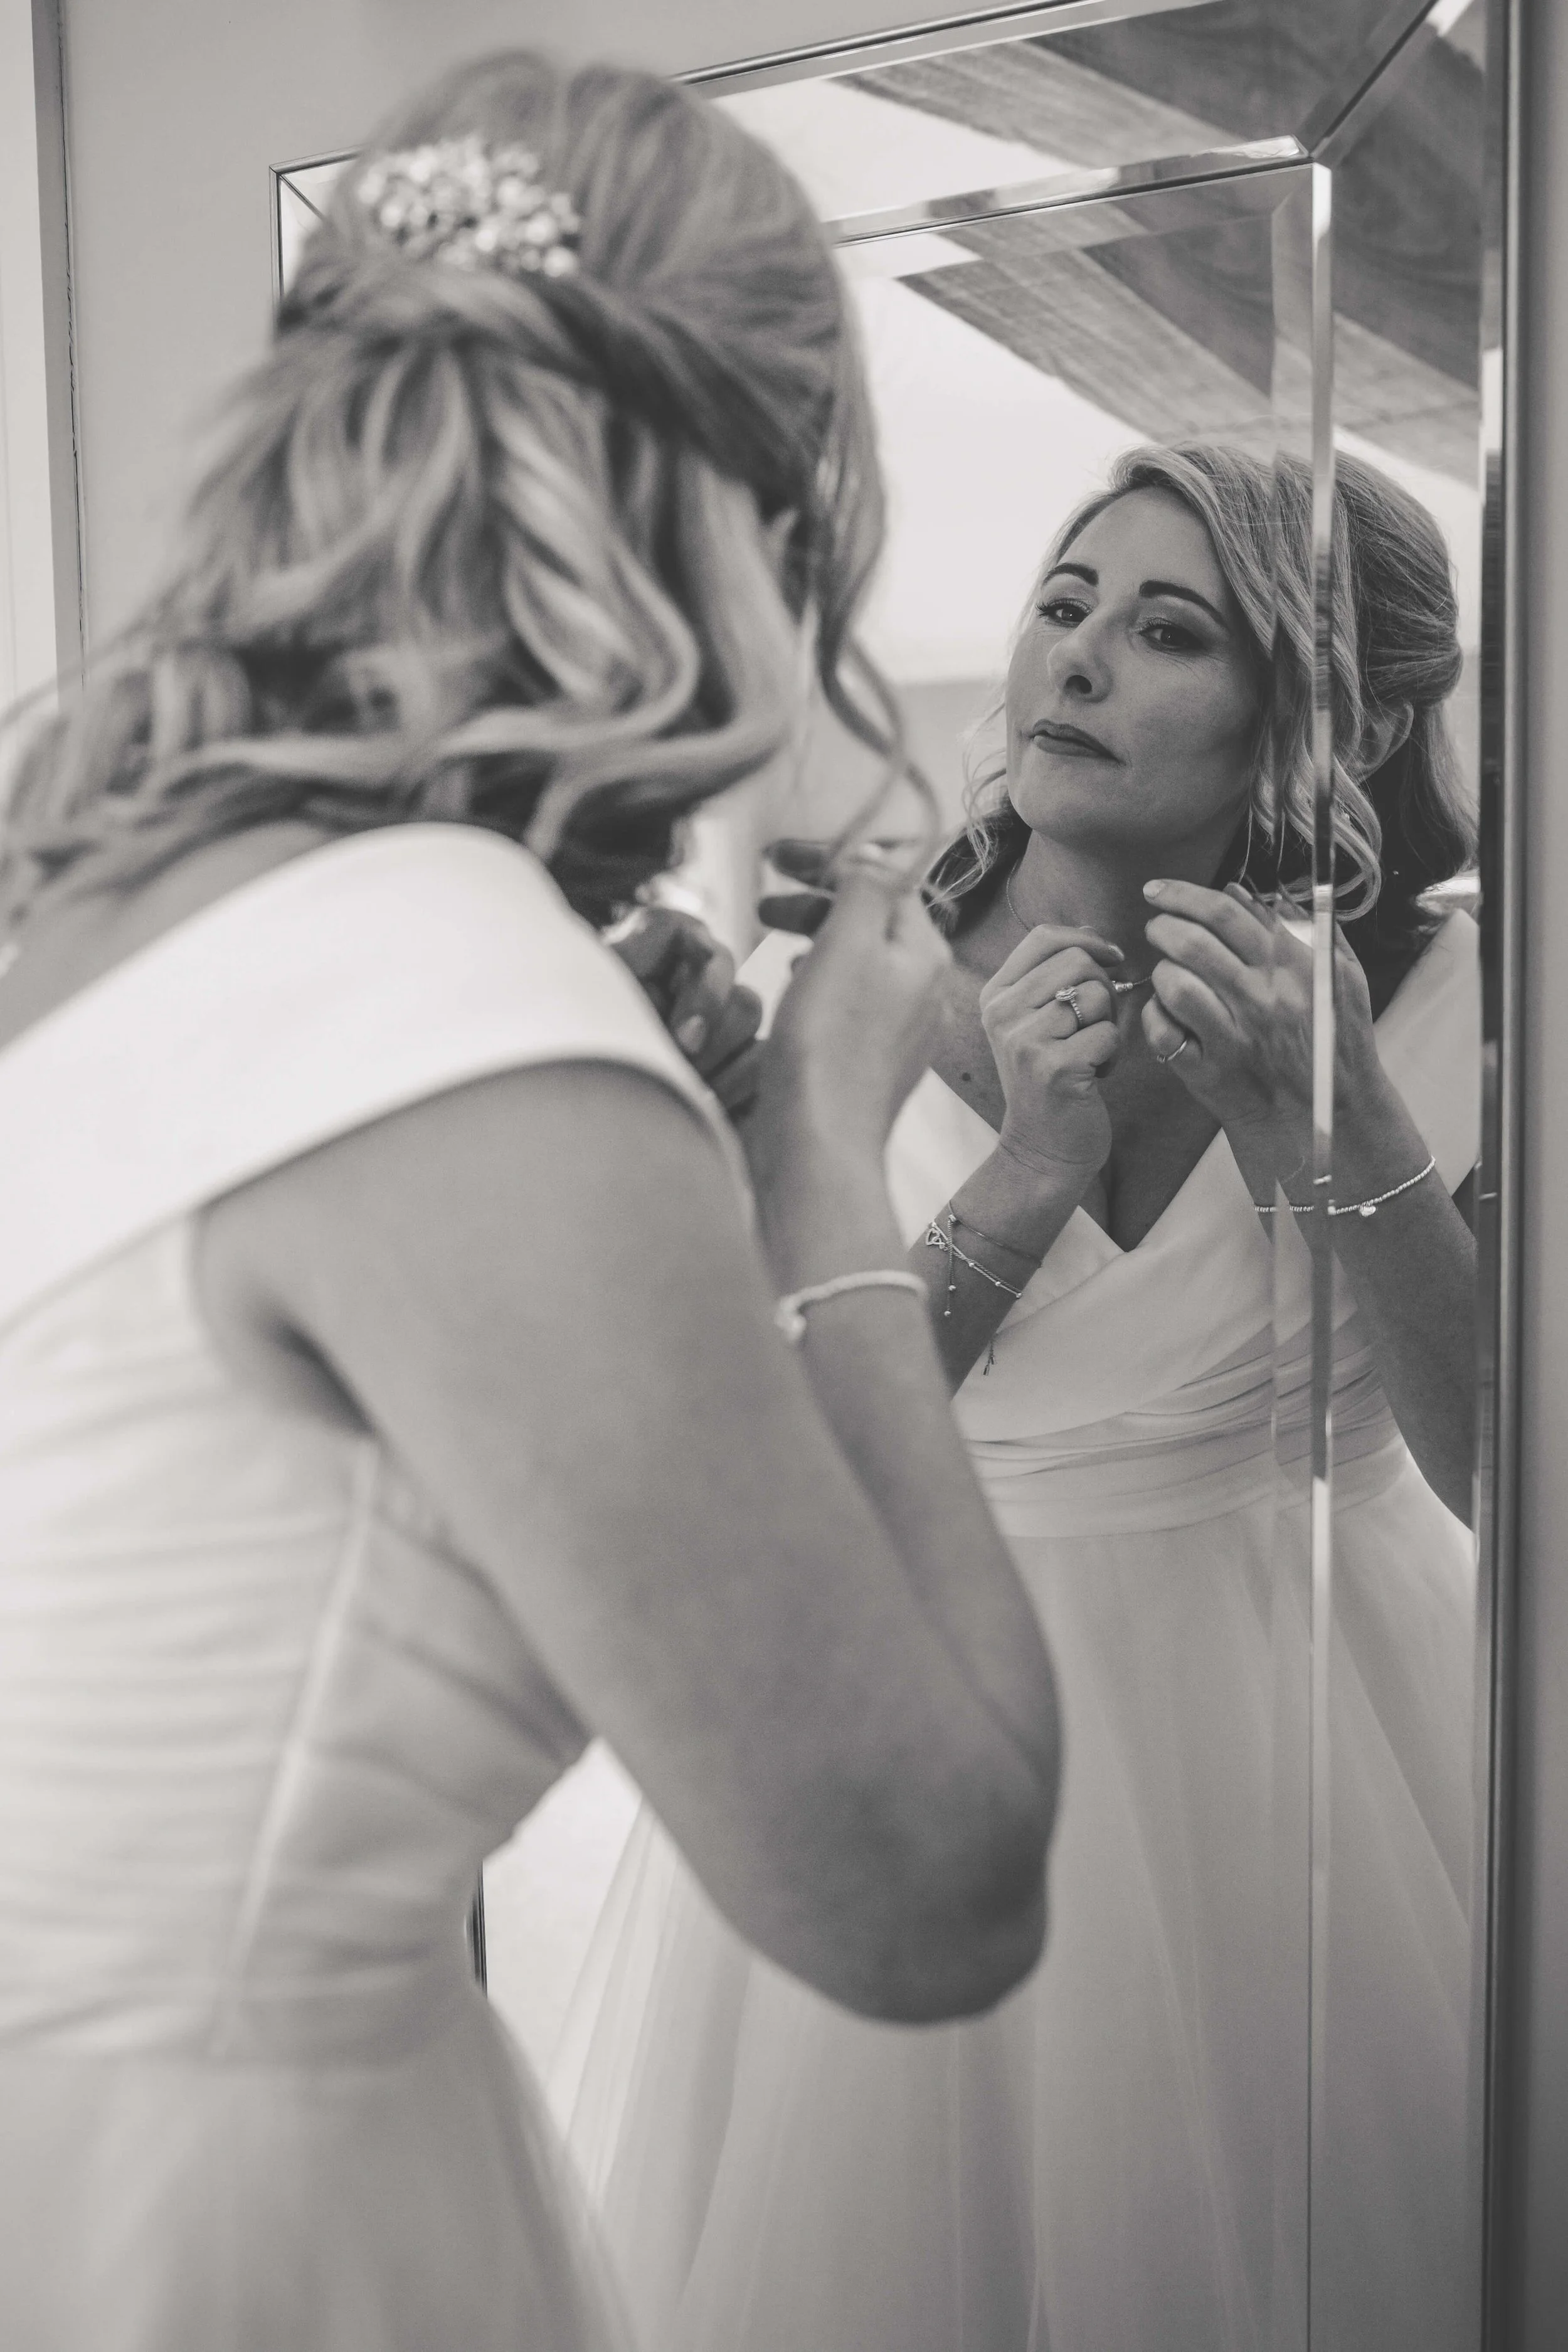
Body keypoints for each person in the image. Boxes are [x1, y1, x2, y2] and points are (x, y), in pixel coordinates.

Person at [0, 53, 1065, 2352]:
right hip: (227, 2238)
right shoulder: (450, 1001)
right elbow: (931, 1886)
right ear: (743, 514)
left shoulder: (72, 887)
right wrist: (819, 1155)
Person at [556, 442, 1481, 2352]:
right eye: (1062, 604)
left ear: (1341, 712)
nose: (1070, 664)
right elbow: (769, 1491)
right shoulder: (835, 981)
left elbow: (1497, 1475)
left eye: (1164, 631)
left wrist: (1352, 1133)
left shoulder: (1459, 1003)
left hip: (1330, 1762)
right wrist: (1022, 1176)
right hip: (925, 1732)